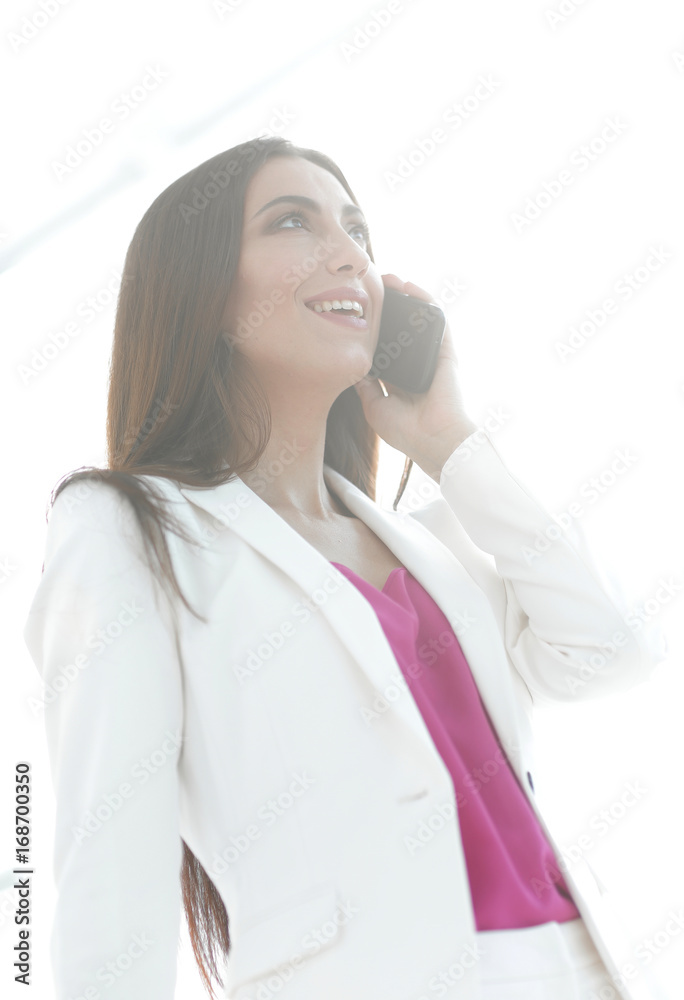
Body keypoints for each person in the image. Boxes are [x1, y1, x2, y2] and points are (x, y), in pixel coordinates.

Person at [23, 135, 667, 1000]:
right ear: (202, 292)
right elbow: (110, 868)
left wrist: (448, 443)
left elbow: (612, 651)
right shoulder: (128, 530)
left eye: (357, 230)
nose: (349, 256)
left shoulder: (440, 541)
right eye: (293, 222)